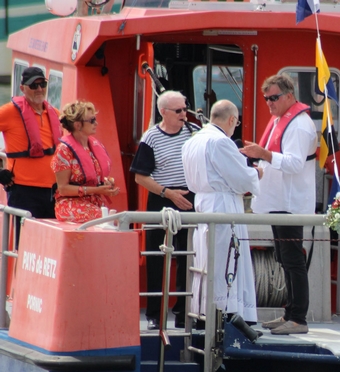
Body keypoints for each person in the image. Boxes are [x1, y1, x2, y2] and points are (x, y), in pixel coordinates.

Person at [242, 74, 317, 335]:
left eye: (273, 98)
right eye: (266, 99)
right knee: (285, 259)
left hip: (290, 203)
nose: (269, 103)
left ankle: (298, 319)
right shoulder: (281, 120)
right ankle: (290, 313)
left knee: (293, 260)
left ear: (289, 96)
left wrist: (262, 154)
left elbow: (295, 164)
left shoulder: (299, 125)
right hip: (279, 201)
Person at [182, 100, 262, 325]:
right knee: (226, 259)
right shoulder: (220, 141)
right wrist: (257, 174)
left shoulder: (192, 140)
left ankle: (203, 310)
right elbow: (241, 178)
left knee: (205, 260)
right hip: (222, 204)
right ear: (232, 120)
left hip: (202, 202)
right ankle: (225, 313)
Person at [131, 90, 199, 330]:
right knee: (156, 258)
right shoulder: (150, 138)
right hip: (161, 199)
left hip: (189, 200)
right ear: (163, 112)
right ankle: (155, 314)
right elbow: (140, 176)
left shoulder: (195, 132)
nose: (184, 114)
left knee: (188, 257)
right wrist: (168, 193)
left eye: (185, 109)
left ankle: (183, 313)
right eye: (178, 110)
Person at [0, 67, 62, 219]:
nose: (39, 89)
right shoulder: (8, 112)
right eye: (34, 85)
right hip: (22, 191)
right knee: (22, 234)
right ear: (22, 88)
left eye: (42, 84)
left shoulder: (55, 114)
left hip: (53, 192)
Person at [51, 101, 119, 223]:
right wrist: (97, 190)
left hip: (95, 203)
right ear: (78, 125)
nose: (96, 123)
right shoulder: (64, 150)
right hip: (70, 204)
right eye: (92, 120)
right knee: (112, 221)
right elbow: (63, 189)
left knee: (120, 220)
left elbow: (96, 178)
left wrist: (108, 185)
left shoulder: (94, 146)